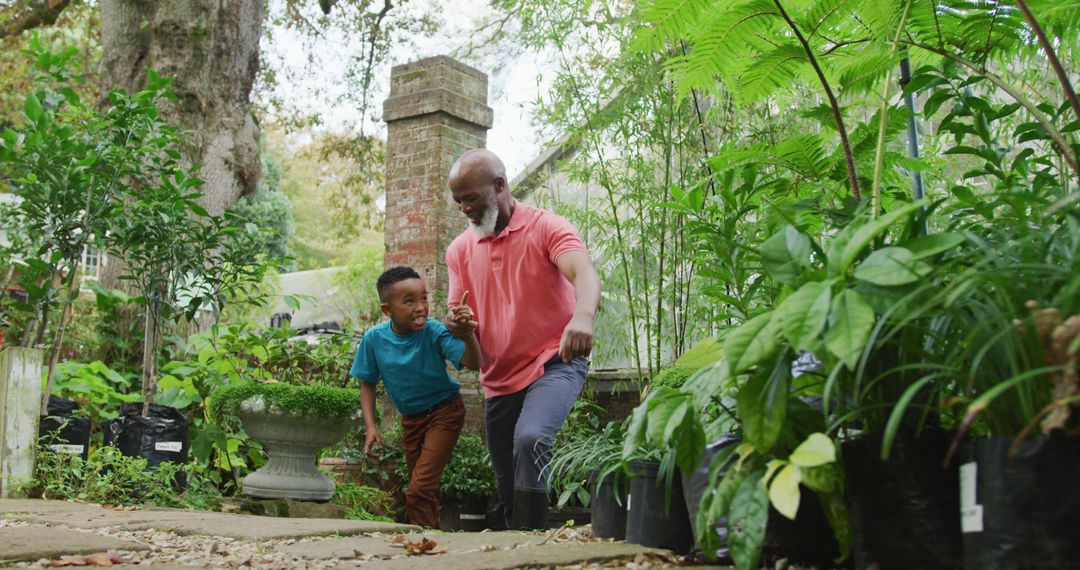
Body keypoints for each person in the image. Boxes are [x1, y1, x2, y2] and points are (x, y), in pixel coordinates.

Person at [443, 149, 602, 530]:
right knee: (507, 481)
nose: (464, 208)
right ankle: (520, 542)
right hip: (499, 378)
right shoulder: (460, 251)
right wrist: (462, 331)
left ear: (500, 186)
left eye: (472, 198)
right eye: (458, 201)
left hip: (555, 360)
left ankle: (529, 543)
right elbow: (472, 356)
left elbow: (583, 271)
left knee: (531, 438)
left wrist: (583, 316)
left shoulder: (547, 227)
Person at [350, 265, 480, 528]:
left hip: (445, 413)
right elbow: (367, 383)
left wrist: (468, 336)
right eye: (409, 301)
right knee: (425, 488)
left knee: (418, 489)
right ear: (388, 310)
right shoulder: (374, 339)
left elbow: (473, 362)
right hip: (411, 421)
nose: (420, 307)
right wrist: (371, 426)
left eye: (423, 298)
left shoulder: (433, 331)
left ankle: (424, 541)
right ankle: (433, 540)